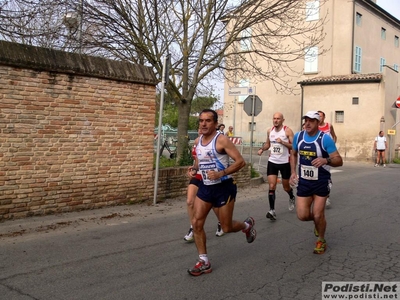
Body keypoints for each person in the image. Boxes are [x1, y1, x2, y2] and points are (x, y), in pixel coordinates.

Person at [187, 109, 256, 276]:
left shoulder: (222, 140)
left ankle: (247, 226)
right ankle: (204, 261)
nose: (203, 124)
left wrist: (221, 173)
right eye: (201, 120)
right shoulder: (198, 141)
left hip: (224, 188)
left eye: (208, 121)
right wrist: (194, 168)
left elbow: (240, 162)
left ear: (215, 123)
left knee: (226, 227)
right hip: (205, 186)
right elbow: (200, 160)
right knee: (196, 223)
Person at [290, 111, 343, 255]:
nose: (307, 123)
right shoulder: (298, 136)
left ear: (318, 123)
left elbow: (339, 160)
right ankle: (318, 225)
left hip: (321, 180)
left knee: (318, 214)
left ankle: (321, 239)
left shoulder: (325, 139)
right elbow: (293, 154)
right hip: (304, 181)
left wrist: (326, 160)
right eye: (305, 120)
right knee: (302, 215)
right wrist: (293, 172)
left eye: (311, 121)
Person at [184, 129, 224, 242]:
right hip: (198, 175)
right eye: (200, 127)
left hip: (210, 175)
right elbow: (197, 158)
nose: (201, 130)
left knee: (213, 204)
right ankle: (193, 227)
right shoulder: (197, 141)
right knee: (189, 201)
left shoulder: (216, 141)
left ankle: (221, 222)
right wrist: (194, 169)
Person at [257, 112, 295, 220]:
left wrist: (282, 142)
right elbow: (268, 144)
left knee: (285, 187)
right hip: (272, 161)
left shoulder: (287, 131)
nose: (276, 120)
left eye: (278, 118)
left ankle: (291, 196)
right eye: (274, 118)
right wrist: (262, 149)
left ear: (283, 120)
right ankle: (272, 210)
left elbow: (293, 146)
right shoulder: (270, 131)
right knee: (272, 186)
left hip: (285, 162)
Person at [318, 111, 337, 206]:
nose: (319, 118)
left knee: (325, 175)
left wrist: (332, 148)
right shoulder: (314, 127)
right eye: (317, 116)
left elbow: (334, 137)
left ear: (324, 117)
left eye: (320, 116)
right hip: (316, 155)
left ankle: (327, 196)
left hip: (326, 155)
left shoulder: (329, 126)